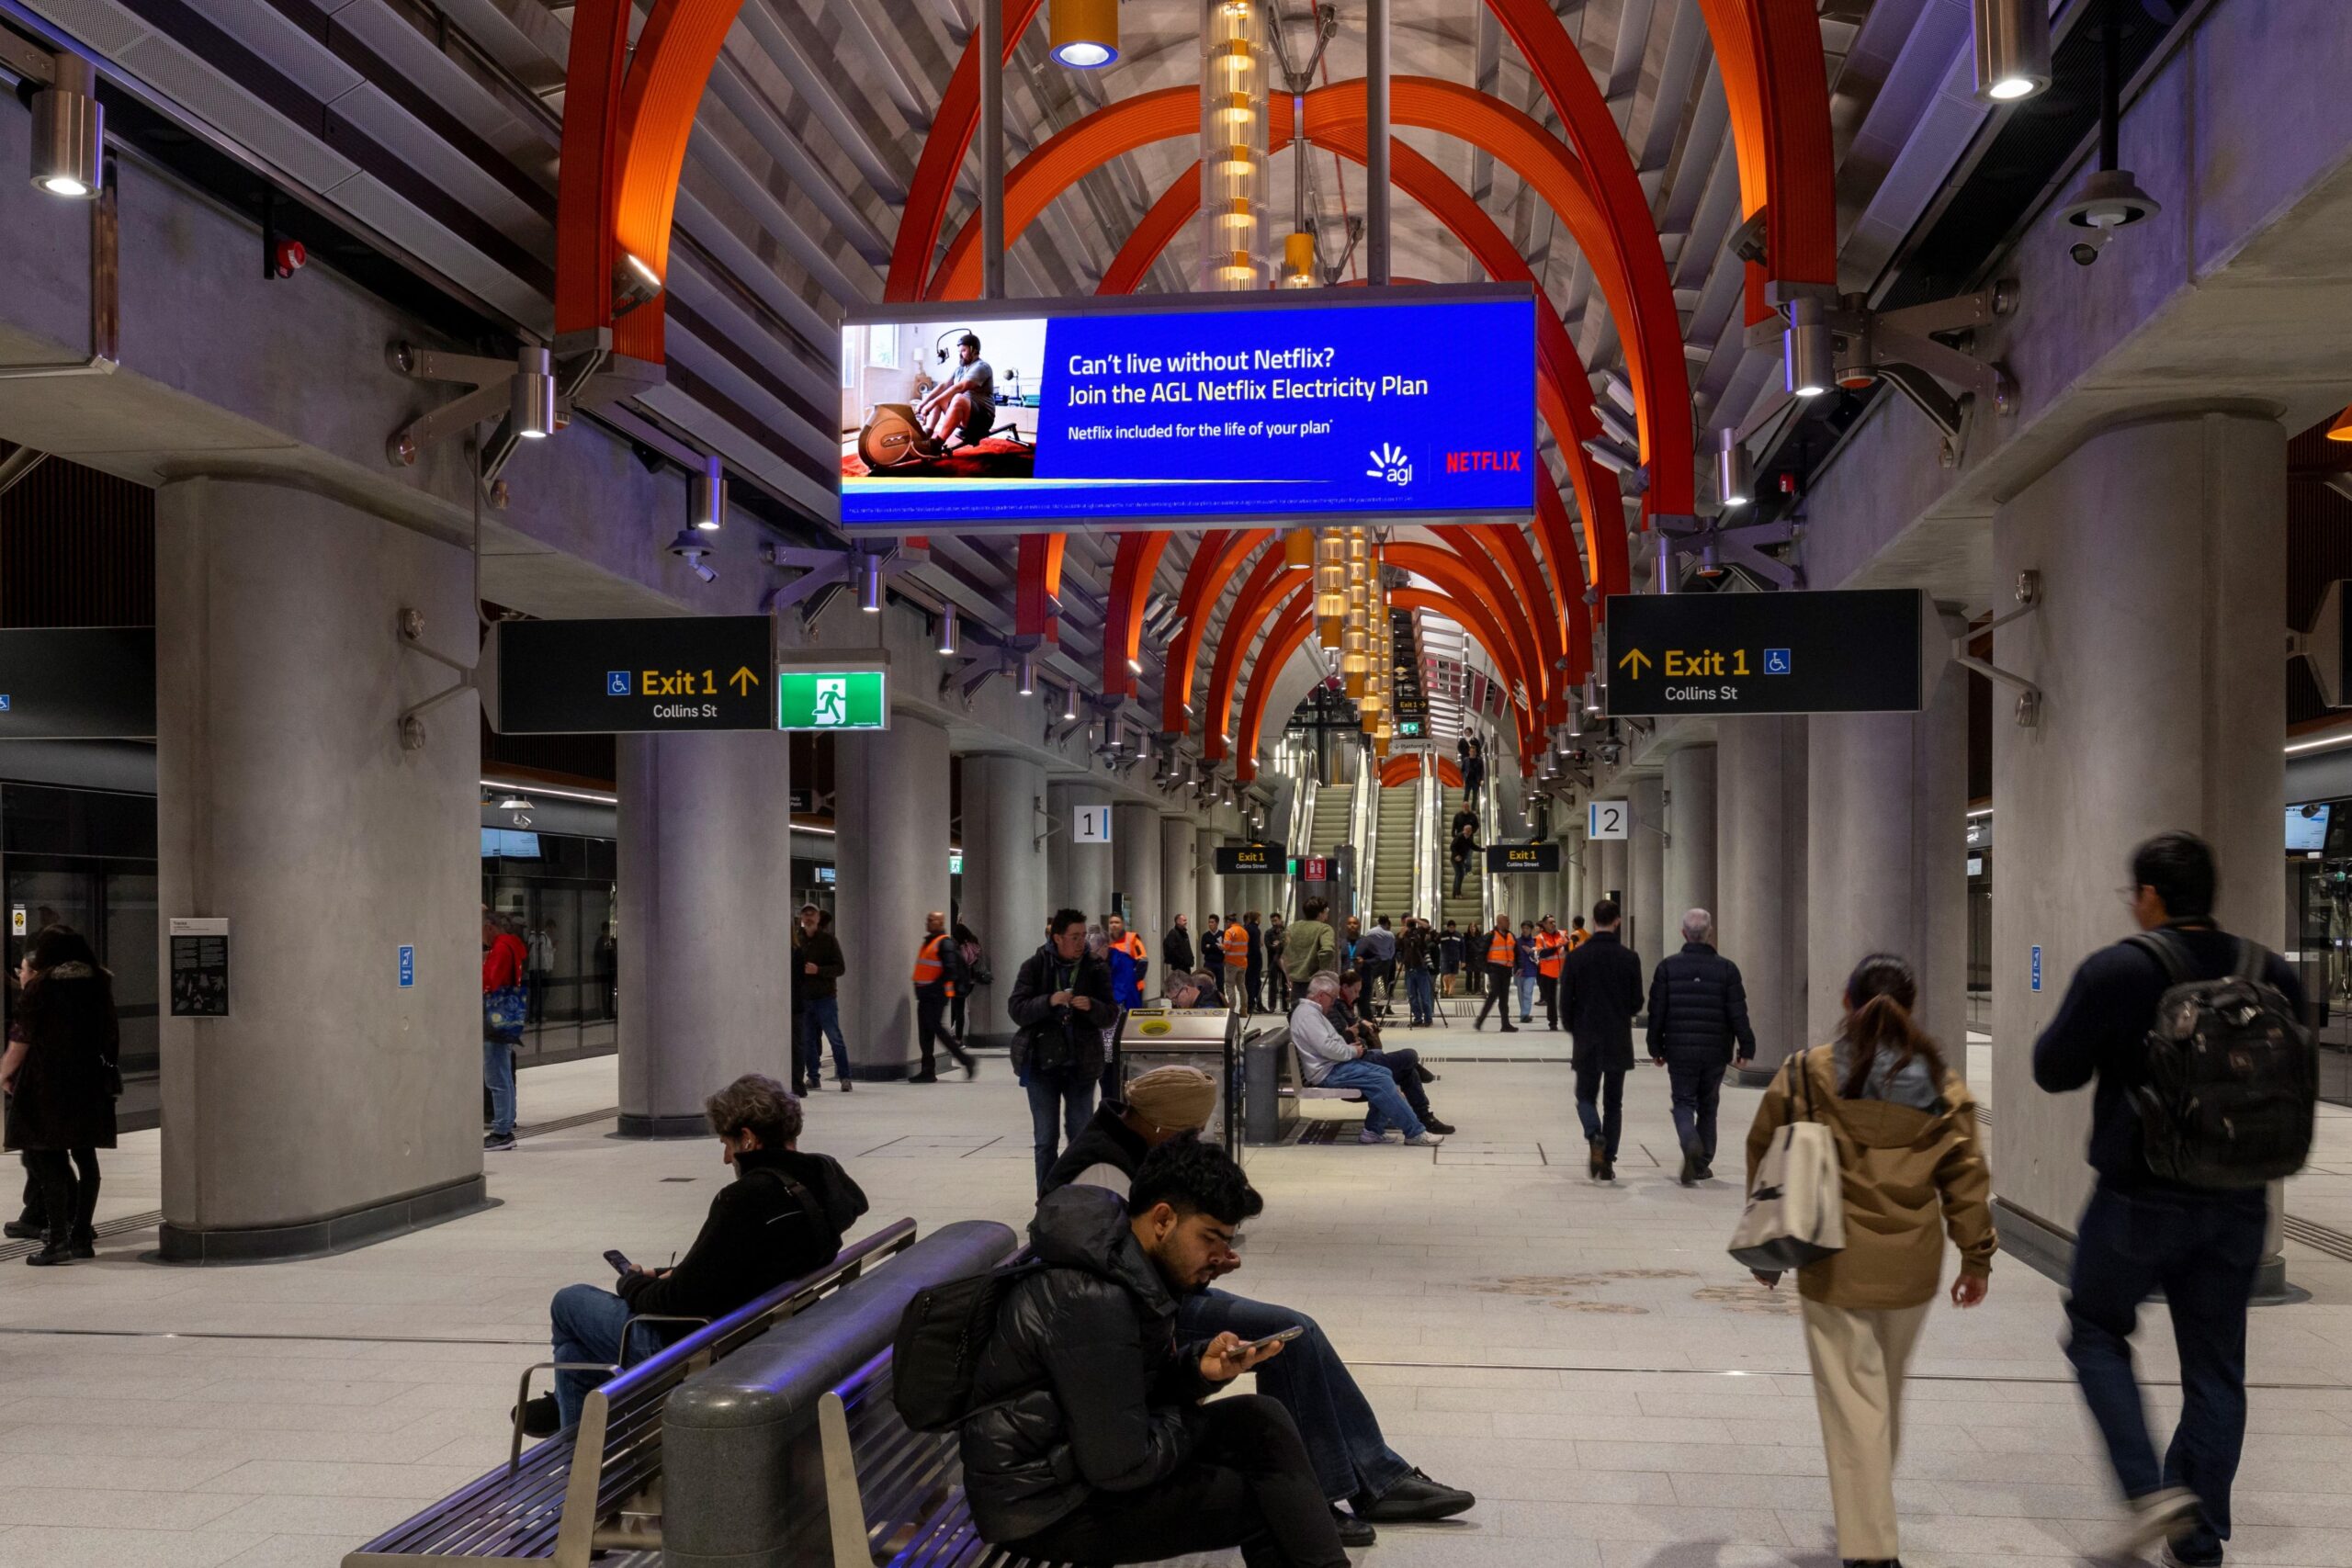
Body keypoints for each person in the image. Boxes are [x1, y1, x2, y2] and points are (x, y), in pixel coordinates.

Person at [2033, 831, 2305, 1568]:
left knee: (2095, 1329)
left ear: (2150, 895)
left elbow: (2053, 1069)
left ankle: (2149, 1491)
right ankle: (2198, 1537)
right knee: (2215, 1367)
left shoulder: (2120, 969)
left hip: (2139, 1197)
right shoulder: (2271, 971)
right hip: (2240, 1199)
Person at [1042, 1084, 1476, 1545]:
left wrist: (1204, 1261)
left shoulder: (1128, 1147)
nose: (1193, 1137)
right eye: (1188, 1130)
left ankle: (1369, 1479)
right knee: (1286, 1333)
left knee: (1293, 1331)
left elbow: (1141, 1258)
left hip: (1149, 1301)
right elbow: (1111, 1273)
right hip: (1131, 1312)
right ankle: (1328, 1493)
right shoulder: (1102, 1170)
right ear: (1161, 1124)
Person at [959, 1137, 1350, 1568]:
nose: (1223, 1257)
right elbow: (1121, 1466)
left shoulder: (1122, 1261)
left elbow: (1128, 1389)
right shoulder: (1092, 1299)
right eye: (1210, 1238)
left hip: (1074, 1467)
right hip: (1045, 1508)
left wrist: (1198, 1371)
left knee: (1261, 1418)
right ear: (1163, 1219)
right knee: (1262, 1499)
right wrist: (1191, 1419)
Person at [1746, 953, 1995, 1568]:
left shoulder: (1806, 1073)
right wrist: (1976, 1259)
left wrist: (1769, 1250)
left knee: (1854, 1402)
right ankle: (1871, 1520)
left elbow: (1765, 1150)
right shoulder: (1942, 1085)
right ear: (1910, 1008)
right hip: (1911, 1268)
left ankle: (1872, 1549)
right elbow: (1967, 1176)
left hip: (1831, 1262)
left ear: (1846, 1001)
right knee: (1884, 1393)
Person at [520, 1074, 868, 1435]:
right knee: (574, 1355)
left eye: (727, 1144)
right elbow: (739, 1262)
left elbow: (678, 1300)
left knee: (569, 1302)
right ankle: (566, 1409)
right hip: (768, 1329)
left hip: (703, 1348)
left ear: (748, 1139)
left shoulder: (746, 1198)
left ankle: (568, 1420)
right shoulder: (818, 1180)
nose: (726, 1158)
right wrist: (676, 1272)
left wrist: (632, 1284)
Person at [2, 926, 119, 1265]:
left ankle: (57, 1241)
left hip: (47, 1086)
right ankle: (81, 1236)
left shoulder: (42, 987)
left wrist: (4, 1073)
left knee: (47, 1161)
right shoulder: (100, 983)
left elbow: (21, 1039)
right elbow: (111, 1034)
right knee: (87, 1160)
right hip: (91, 1085)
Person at [1009, 908, 1118, 1191]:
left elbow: (1110, 1014)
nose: (1081, 943)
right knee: (1046, 1139)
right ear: (1057, 938)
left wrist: (1092, 1006)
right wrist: (1049, 1001)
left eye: (1083, 936)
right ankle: (1046, 1199)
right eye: (1074, 937)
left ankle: (1078, 1196)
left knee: (1080, 1137)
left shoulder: (1095, 968)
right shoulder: (1034, 966)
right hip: (1042, 1065)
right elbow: (1017, 1009)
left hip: (1082, 1065)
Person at [1645, 908, 1757, 1184]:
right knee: (1708, 1104)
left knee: (1683, 1102)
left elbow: (1657, 1012)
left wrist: (1655, 1047)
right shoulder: (1727, 969)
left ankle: (1689, 1141)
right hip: (1716, 1050)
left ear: (1683, 933)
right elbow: (1738, 1012)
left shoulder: (1668, 967)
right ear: (1710, 934)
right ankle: (1702, 1161)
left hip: (1679, 1048)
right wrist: (1746, 1047)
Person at [1291, 972, 1442, 1146]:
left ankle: (1373, 1131)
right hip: (1328, 1072)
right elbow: (1328, 1048)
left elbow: (1329, 1045)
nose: (1333, 1003)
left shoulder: (1310, 1013)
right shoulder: (1308, 1016)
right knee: (1381, 1080)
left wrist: (1349, 1049)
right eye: (1332, 998)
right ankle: (1415, 1132)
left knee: (1386, 1073)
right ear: (1321, 996)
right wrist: (1353, 1052)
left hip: (1333, 1066)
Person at [1560, 898, 1642, 1180]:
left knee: (1585, 1096)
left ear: (1594, 921)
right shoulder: (1629, 958)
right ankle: (1608, 1163)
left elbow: (1565, 1001)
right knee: (1614, 1103)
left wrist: (1574, 1028)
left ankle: (1594, 1134)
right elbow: (1636, 1002)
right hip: (1618, 1038)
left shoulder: (1577, 957)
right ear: (1617, 921)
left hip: (1586, 1036)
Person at [1335, 971, 1454, 1136]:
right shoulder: (1336, 1006)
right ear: (1342, 987)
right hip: (1359, 1061)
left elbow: (1350, 1028)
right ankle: (1424, 1116)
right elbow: (1342, 1037)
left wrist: (1360, 1027)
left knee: (1408, 1072)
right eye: (1354, 991)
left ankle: (1424, 1116)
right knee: (1410, 1056)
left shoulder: (1341, 1007)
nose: (1357, 996)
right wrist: (1358, 1029)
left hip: (1364, 1057)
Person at [482, 908, 529, 1151]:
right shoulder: (512, 945)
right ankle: (506, 1123)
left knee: (495, 1075)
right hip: (509, 1011)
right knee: (503, 1072)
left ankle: (501, 1131)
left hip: (496, 1014)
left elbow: (491, 981)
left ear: (489, 927)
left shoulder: (500, 948)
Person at [911, 909, 976, 1082]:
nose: (928, 922)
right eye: (928, 919)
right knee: (925, 1034)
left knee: (937, 1031)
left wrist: (932, 987)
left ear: (940, 923)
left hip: (935, 996)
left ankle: (966, 1060)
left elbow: (950, 971)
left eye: (932, 919)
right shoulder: (930, 942)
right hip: (926, 995)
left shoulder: (944, 943)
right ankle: (928, 1070)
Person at [793, 904, 850, 1094]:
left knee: (835, 1038)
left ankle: (845, 1077)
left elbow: (840, 968)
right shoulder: (798, 940)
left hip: (825, 998)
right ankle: (813, 1078)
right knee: (808, 1041)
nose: (808, 918)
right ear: (802, 918)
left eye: (812, 914)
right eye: (805, 914)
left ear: (818, 918)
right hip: (805, 999)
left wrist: (818, 970)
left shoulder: (828, 940)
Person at [917, 330, 996, 451]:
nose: (960, 355)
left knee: (958, 397)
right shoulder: (960, 369)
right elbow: (943, 386)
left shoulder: (982, 367)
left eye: (963, 351)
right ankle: (926, 435)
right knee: (942, 397)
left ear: (974, 350)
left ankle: (936, 445)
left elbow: (960, 387)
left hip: (982, 419)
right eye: (959, 351)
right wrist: (923, 404)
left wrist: (931, 404)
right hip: (966, 416)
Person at [1472, 915, 1519, 1032]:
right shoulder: (1491, 935)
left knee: (1504, 998)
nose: (1509, 923)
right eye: (1506, 921)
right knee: (1494, 994)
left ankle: (1505, 1024)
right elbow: (1481, 953)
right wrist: (1486, 968)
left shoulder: (1511, 936)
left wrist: (1519, 966)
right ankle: (1480, 1020)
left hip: (1506, 970)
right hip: (1495, 969)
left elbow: (1517, 952)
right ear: (1499, 922)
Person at [1282, 898, 1336, 993]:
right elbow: (1327, 951)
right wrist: (1323, 973)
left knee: (1298, 1003)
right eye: (1326, 910)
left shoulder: (1291, 928)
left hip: (1296, 982)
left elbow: (1285, 955)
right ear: (1320, 913)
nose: (1327, 914)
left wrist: (1288, 975)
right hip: (1315, 982)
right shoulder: (1325, 929)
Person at [953, 920, 989, 1042]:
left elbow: (961, 963)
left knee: (958, 1009)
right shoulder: (974, 944)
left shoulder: (962, 947)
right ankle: (958, 1037)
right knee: (960, 1008)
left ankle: (957, 1038)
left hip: (960, 980)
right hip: (971, 980)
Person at [1396, 917, 1436, 1027]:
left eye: (1409, 922)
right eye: (1406, 922)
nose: (1408, 923)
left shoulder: (1419, 932)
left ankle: (1428, 1018)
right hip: (1409, 968)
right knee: (1412, 996)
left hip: (1421, 968)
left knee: (1424, 996)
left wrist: (1416, 920)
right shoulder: (1402, 934)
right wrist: (1401, 934)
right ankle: (1418, 1018)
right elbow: (1397, 947)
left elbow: (1428, 926)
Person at [1354, 917, 1396, 1015]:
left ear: (1378, 921)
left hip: (1372, 961)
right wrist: (1388, 957)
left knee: (1369, 983)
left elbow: (1366, 945)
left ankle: (1367, 1005)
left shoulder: (1370, 932)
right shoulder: (1389, 934)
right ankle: (1380, 1009)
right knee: (1382, 985)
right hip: (1384, 962)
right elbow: (1392, 950)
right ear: (1387, 923)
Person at [1536, 916, 1569, 1030]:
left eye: (1554, 922)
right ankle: (1553, 1022)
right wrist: (1556, 947)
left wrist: (1568, 945)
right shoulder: (1540, 937)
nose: (1553, 924)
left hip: (1563, 971)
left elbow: (1569, 947)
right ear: (1544, 924)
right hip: (1548, 972)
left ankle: (1568, 1019)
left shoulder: (1562, 934)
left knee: (1566, 997)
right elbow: (1541, 954)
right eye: (1550, 922)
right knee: (1551, 999)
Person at [1107, 916, 1148, 995]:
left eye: (1117, 922)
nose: (1114, 925)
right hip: (1114, 987)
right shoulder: (1107, 941)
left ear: (1123, 924)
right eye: (1111, 923)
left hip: (1132, 987)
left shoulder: (1132, 939)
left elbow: (1143, 962)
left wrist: (1131, 980)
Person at [1220, 914, 1251, 1015]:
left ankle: (1232, 1010)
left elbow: (1226, 946)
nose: (1225, 925)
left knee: (1230, 985)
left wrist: (1220, 946)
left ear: (1229, 922)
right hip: (1243, 963)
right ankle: (1244, 1009)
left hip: (1232, 963)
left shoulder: (1229, 931)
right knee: (1241, 986)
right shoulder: (1244, 931)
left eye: (1225, 923)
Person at [526, 919, 556, 1024]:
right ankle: (535, 1015)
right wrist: (546, 968)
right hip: (540, 968)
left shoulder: (540, 938)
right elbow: (543, 955)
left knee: (539, 993)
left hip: (539, 968)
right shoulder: (540, 937)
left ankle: (535, 1015)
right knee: (539, 993)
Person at [1512, 919, 1539, 1023]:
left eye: (1527, 928)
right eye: (1523, 928)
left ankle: (1524, 1015)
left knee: (1527, 993)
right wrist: (1515, 968)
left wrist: (1531, 952)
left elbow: (1538, 957)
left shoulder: (1535, 942)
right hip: (1519, 972)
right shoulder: (1517, 942)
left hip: (1531, 971)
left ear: (1531, 930)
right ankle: (1524, 1013)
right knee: (1521, 994)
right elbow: (1514, 956)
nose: (1524, 930)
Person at [1264, 915, 1290, 1011]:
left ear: (1280, 920)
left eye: (1275, 920)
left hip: (1284, 960)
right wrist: (1277, 946)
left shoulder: (1286, 932)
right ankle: (1272, 1006)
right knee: (1273, 984)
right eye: (1272, 921)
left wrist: (1279, 944)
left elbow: (1288, 945)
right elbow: (1268, 946)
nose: (1274, 923)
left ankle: (1285, 1006)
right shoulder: (1268, 933)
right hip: (1273, 961)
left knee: (1285, 984)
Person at [1450, 820, 1479, 899]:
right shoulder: (1459, 837)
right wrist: (1456, 855)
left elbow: (1474, 847)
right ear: (1464, 830)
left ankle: (1455, 894)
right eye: (1467, 830)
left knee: (1459, 875)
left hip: (1461, 859)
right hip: (1455, 859)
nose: (1468, 832)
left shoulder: (1468, 839)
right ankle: (1457, 893)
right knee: (1460, 874)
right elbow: (1452, 847)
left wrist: (1484, 849)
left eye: (1469, 831)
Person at [1244, 912, 1265, 1013]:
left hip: (1247, 958)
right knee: (1254, 983)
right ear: (1257, 918)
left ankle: (1252, 1004)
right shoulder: (1255, 930)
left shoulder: (1246, 928)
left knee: (1250, 982)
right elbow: (1256, 947)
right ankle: (1253, 1005)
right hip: (1254, 959)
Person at [1164, 912, 1196, 976]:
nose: (1186, 922)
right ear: (1178, 922)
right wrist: (1181, 959)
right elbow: (1172, 950)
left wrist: (1191, 959)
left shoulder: (1184, 934)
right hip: (1178, 967)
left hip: (1186, 967)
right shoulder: (1173, 934)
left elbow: (1187, 949)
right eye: (1184, 920)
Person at [1438, 920, 1464, 996]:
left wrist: (1463, 960)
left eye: (1453, 927)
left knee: (1453, 975)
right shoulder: (1442, 935)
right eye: (1450, 927)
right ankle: (1446, 988)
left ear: (1455, 927)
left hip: (1455, 958)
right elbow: (1436, 942)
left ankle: (1450, 992)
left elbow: (1462, 948)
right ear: (1447, 927)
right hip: (1445, 958)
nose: (1451, 929)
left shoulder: (1458, 935)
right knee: (1446, 975)